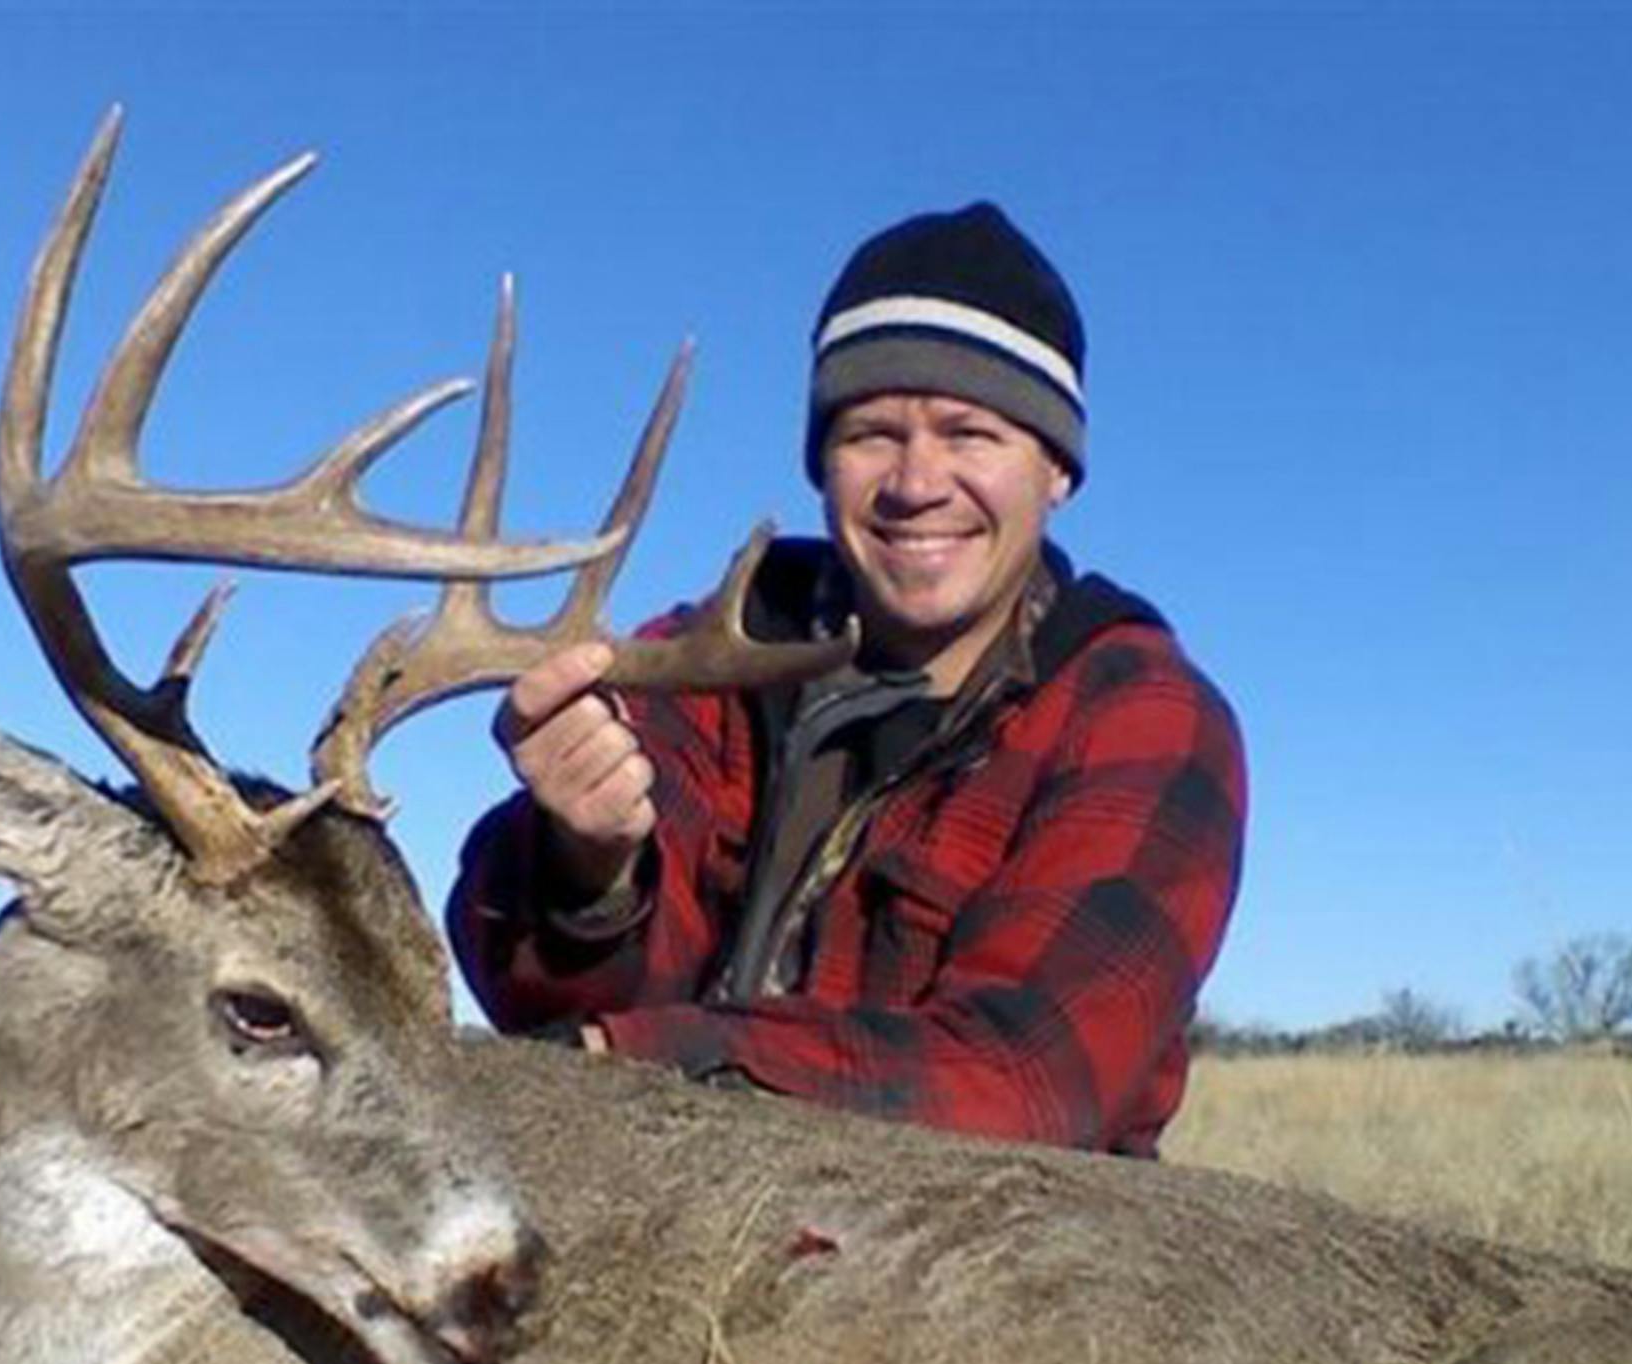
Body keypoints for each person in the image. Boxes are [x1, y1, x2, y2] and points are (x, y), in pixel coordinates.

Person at [446, 203, 1245, 1155]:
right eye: (871, 432)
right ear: (822, 462)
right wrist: (590, 872)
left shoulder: (1139, 716)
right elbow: (555, 996)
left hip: (1004, 1258)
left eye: (970, 433)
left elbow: (1027, 1084)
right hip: (694, 1197)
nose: (917, 482)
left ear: (1057, 470)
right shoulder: (701, 667)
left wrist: (625, 1062)